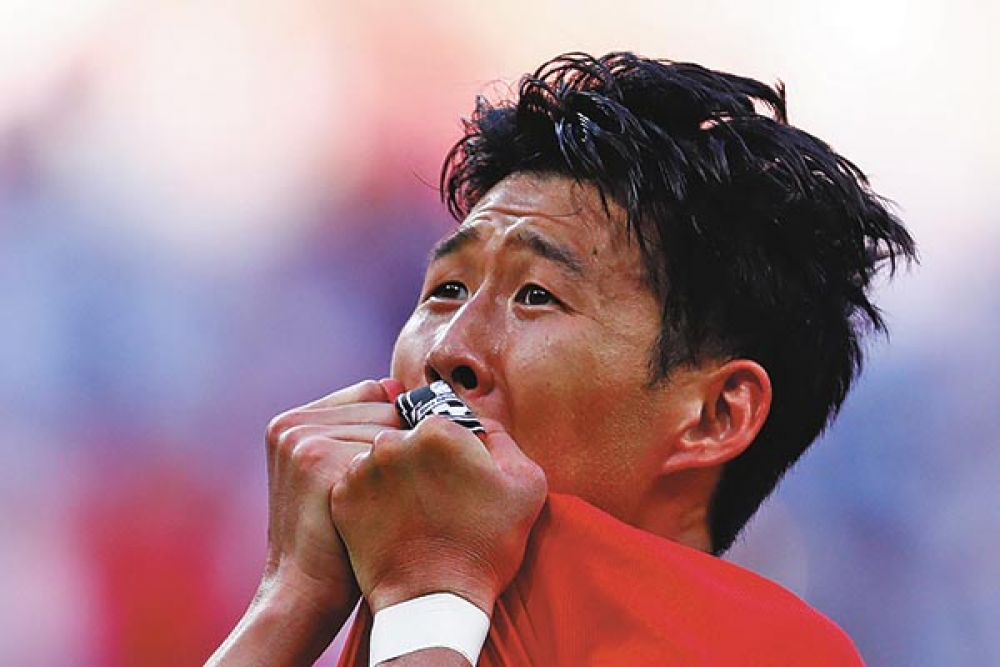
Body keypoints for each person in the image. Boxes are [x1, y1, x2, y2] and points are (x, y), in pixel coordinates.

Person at [208, 51, 915, 666]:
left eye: (537, 295)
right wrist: (290, 598)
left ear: (714, 415)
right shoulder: (423, 583)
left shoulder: (776, 651)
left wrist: (430, 596)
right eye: (447, 289)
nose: (449, 352)